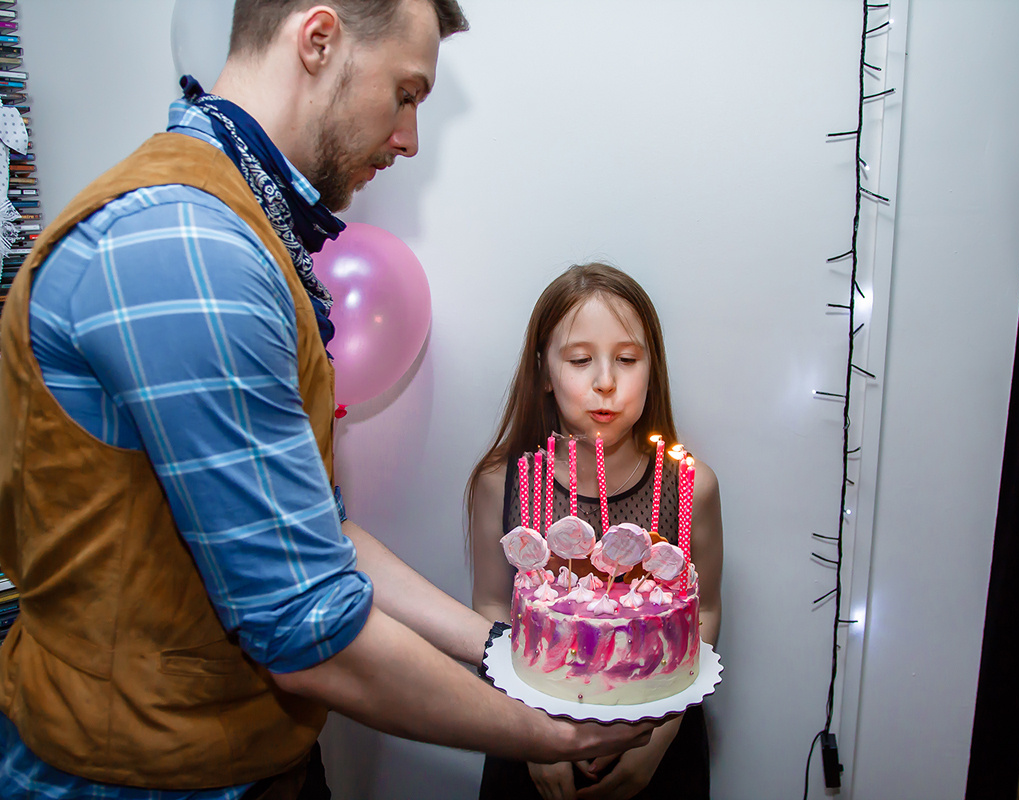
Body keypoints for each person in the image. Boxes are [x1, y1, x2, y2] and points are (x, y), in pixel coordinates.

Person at [0, 2, 659, 798]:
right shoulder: (190, 245)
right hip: (141, 779)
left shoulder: (242, 228)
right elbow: (304, 625)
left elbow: (317, 536)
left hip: (250, 758)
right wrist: (556, 729)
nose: (410, 137)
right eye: (406, 93)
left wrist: (500, 647)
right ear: (317, 40)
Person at [468, 263, 724, 800]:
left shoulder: (690, 486)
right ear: (544, 371)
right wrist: (531, 735)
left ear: (652, 369)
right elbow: (491, 606)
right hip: (526, 735)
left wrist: (657, 737)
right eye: (580, 360)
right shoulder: (501, 482)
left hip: (659, 742)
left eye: (627, 359)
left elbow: (703, 611)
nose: (605, 381)